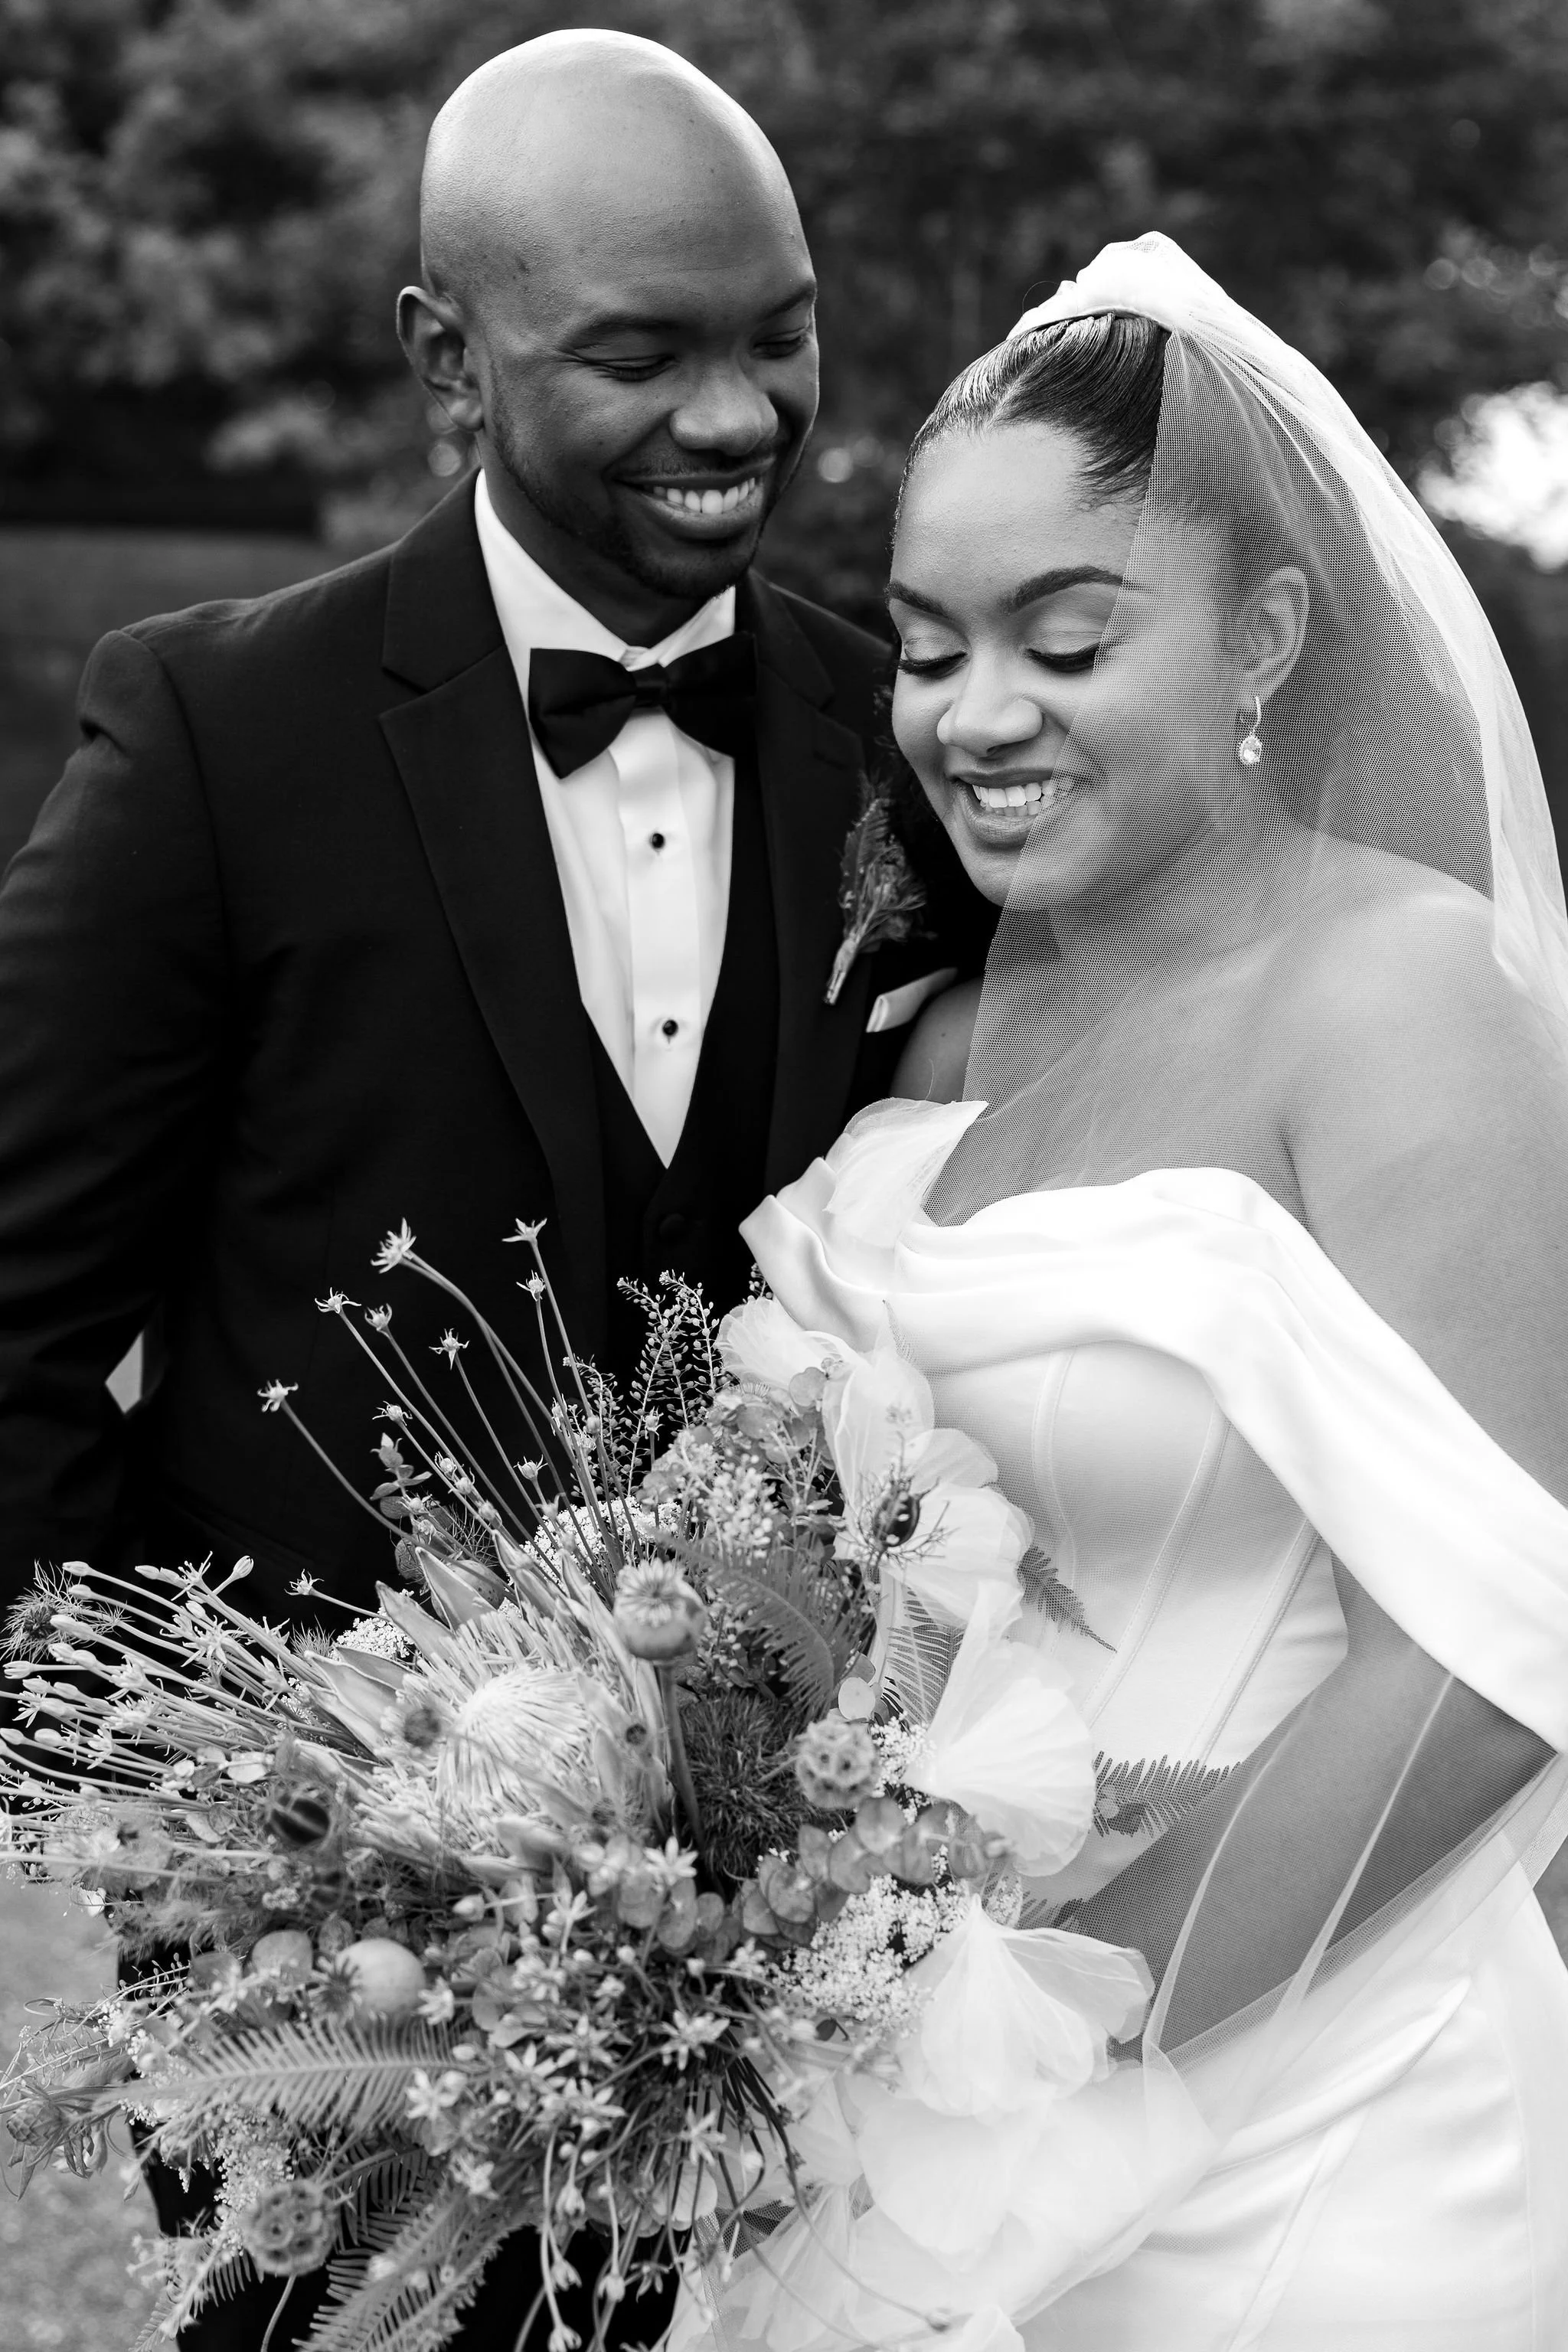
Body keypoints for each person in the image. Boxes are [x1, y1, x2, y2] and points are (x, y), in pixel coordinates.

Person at [0, 31, 982, 2351]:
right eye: (637, 355)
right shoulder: (218, 735)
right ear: (448, 356)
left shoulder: (909, 749)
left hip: (832, 1942)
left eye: (783, 330)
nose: (740, 415)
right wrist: (189, 1789)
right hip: (327, 1937)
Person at [718, 235, 1568, 2347]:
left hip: (1304, 2141)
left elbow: (1498, 1646)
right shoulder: (952, 1049)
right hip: (925, 2073)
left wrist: (1062, 2047)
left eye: (1070, 642)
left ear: (1264, 632)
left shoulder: (1401, 1000)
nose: (974, 718)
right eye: (928, 647)